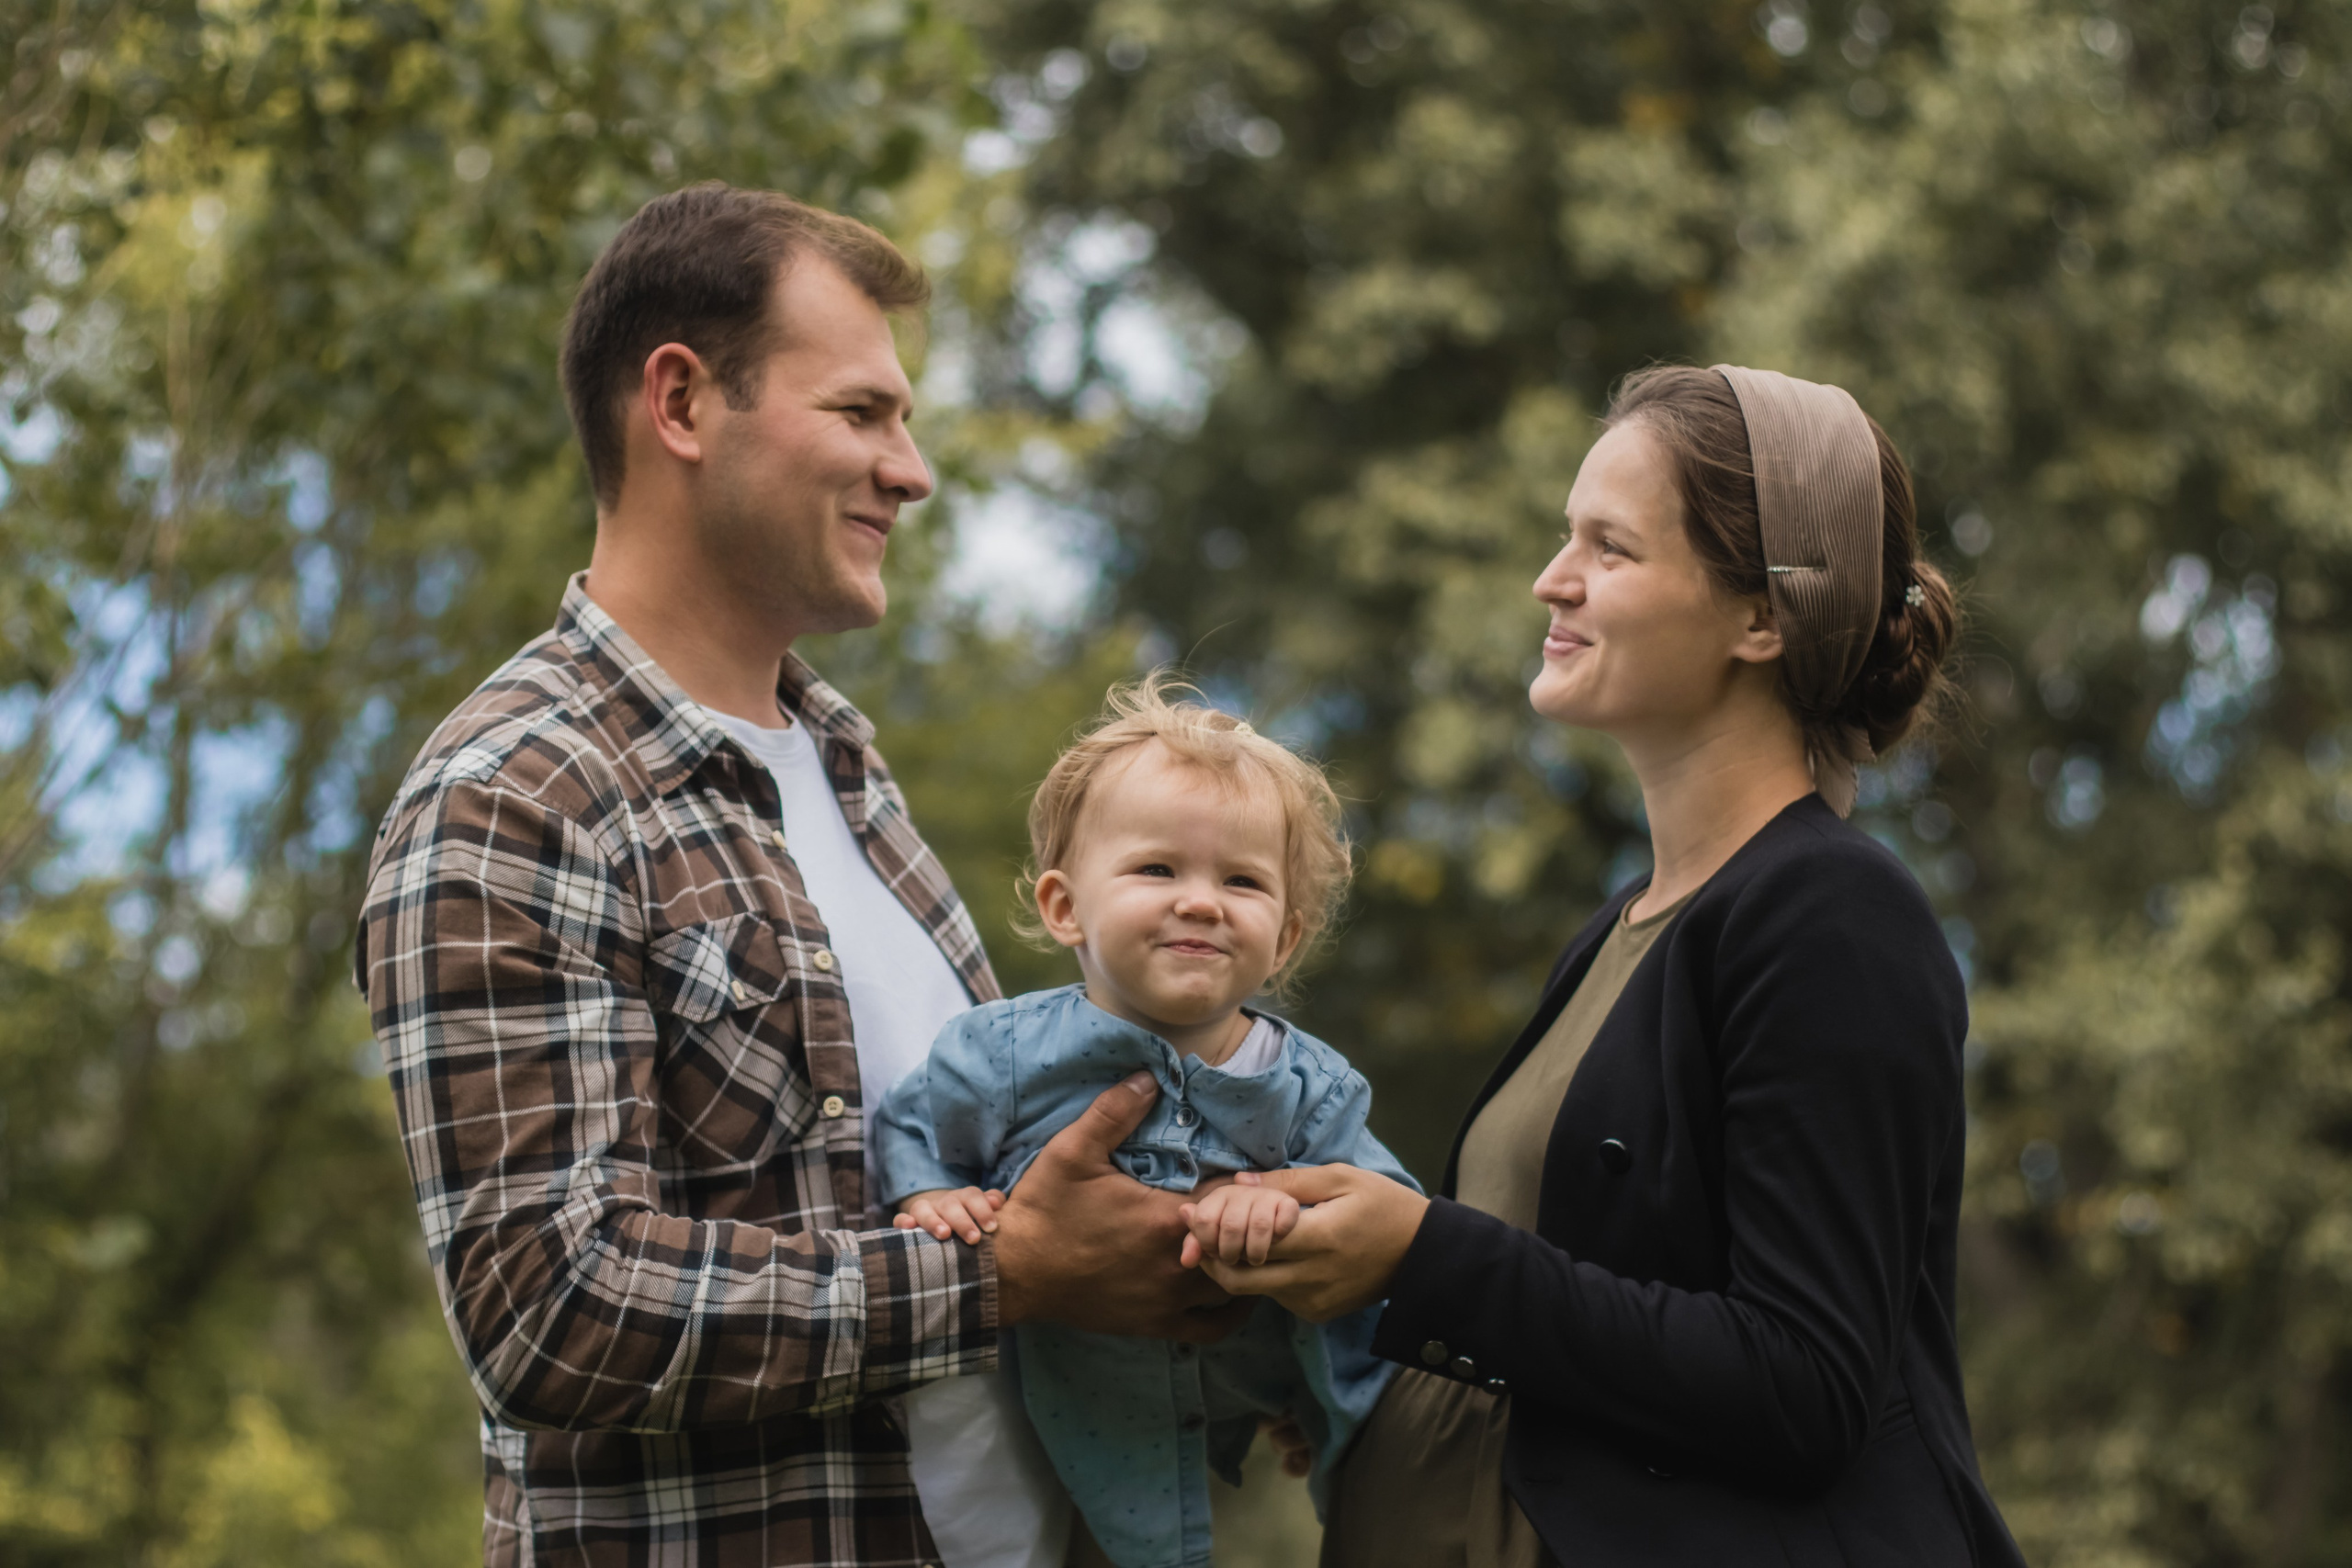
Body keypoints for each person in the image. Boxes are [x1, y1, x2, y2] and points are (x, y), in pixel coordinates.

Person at [354, 183, 1245, 1568]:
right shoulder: (515, 797)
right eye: (861, 412)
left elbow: (995, 1184)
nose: (913, 468)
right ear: (683, 403)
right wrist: (992, 1272)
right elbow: (550, 1304)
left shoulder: (846, 771)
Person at [1179, 365, 2029, 1565]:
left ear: (1761, 619)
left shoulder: (1835, 913)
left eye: (1610, 547)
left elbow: (1805, 1384)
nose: (1552, 578)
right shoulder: (1619, 930)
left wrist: (1421, 1253)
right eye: (1565, 535)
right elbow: (1567, 1318)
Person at [876, 678, 1416, 1568]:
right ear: (1065, 909)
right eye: (1156, 869)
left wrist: (1285, 1213)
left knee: (1362, 1504)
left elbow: (1384, 1216)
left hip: (1262, 1398)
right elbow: (906, 1126)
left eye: (1241, 880)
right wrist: (931, 1191)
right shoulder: (1003, 1055)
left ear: (1284, 937)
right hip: (1072, 1410)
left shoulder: (1311, 1088)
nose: (1200, 901)